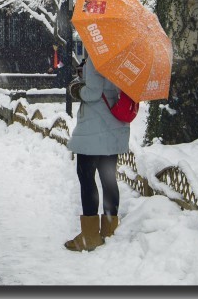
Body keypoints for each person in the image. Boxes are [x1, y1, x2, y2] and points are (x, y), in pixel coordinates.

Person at [63, 52, 130, 252]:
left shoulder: (98, 58)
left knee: (86, 177)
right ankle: (110, 230)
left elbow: (92, 92)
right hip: (114, 126)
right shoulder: (121, 60)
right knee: (108, 179)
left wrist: (76, 87)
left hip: (93, 130)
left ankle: (90, 235)